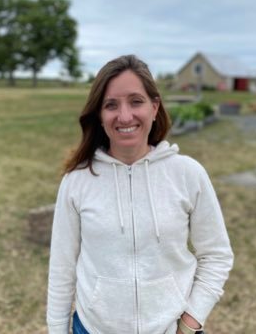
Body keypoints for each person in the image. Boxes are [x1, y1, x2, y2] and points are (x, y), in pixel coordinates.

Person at [47, 55, 234, 334]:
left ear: (154, 106)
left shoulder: (188, 174)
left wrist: (190, 322)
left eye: (136, 101)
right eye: (111, 105)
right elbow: (62, 268)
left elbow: (217, 255)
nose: (124, 116)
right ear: (99, 114)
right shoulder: (77, 181)